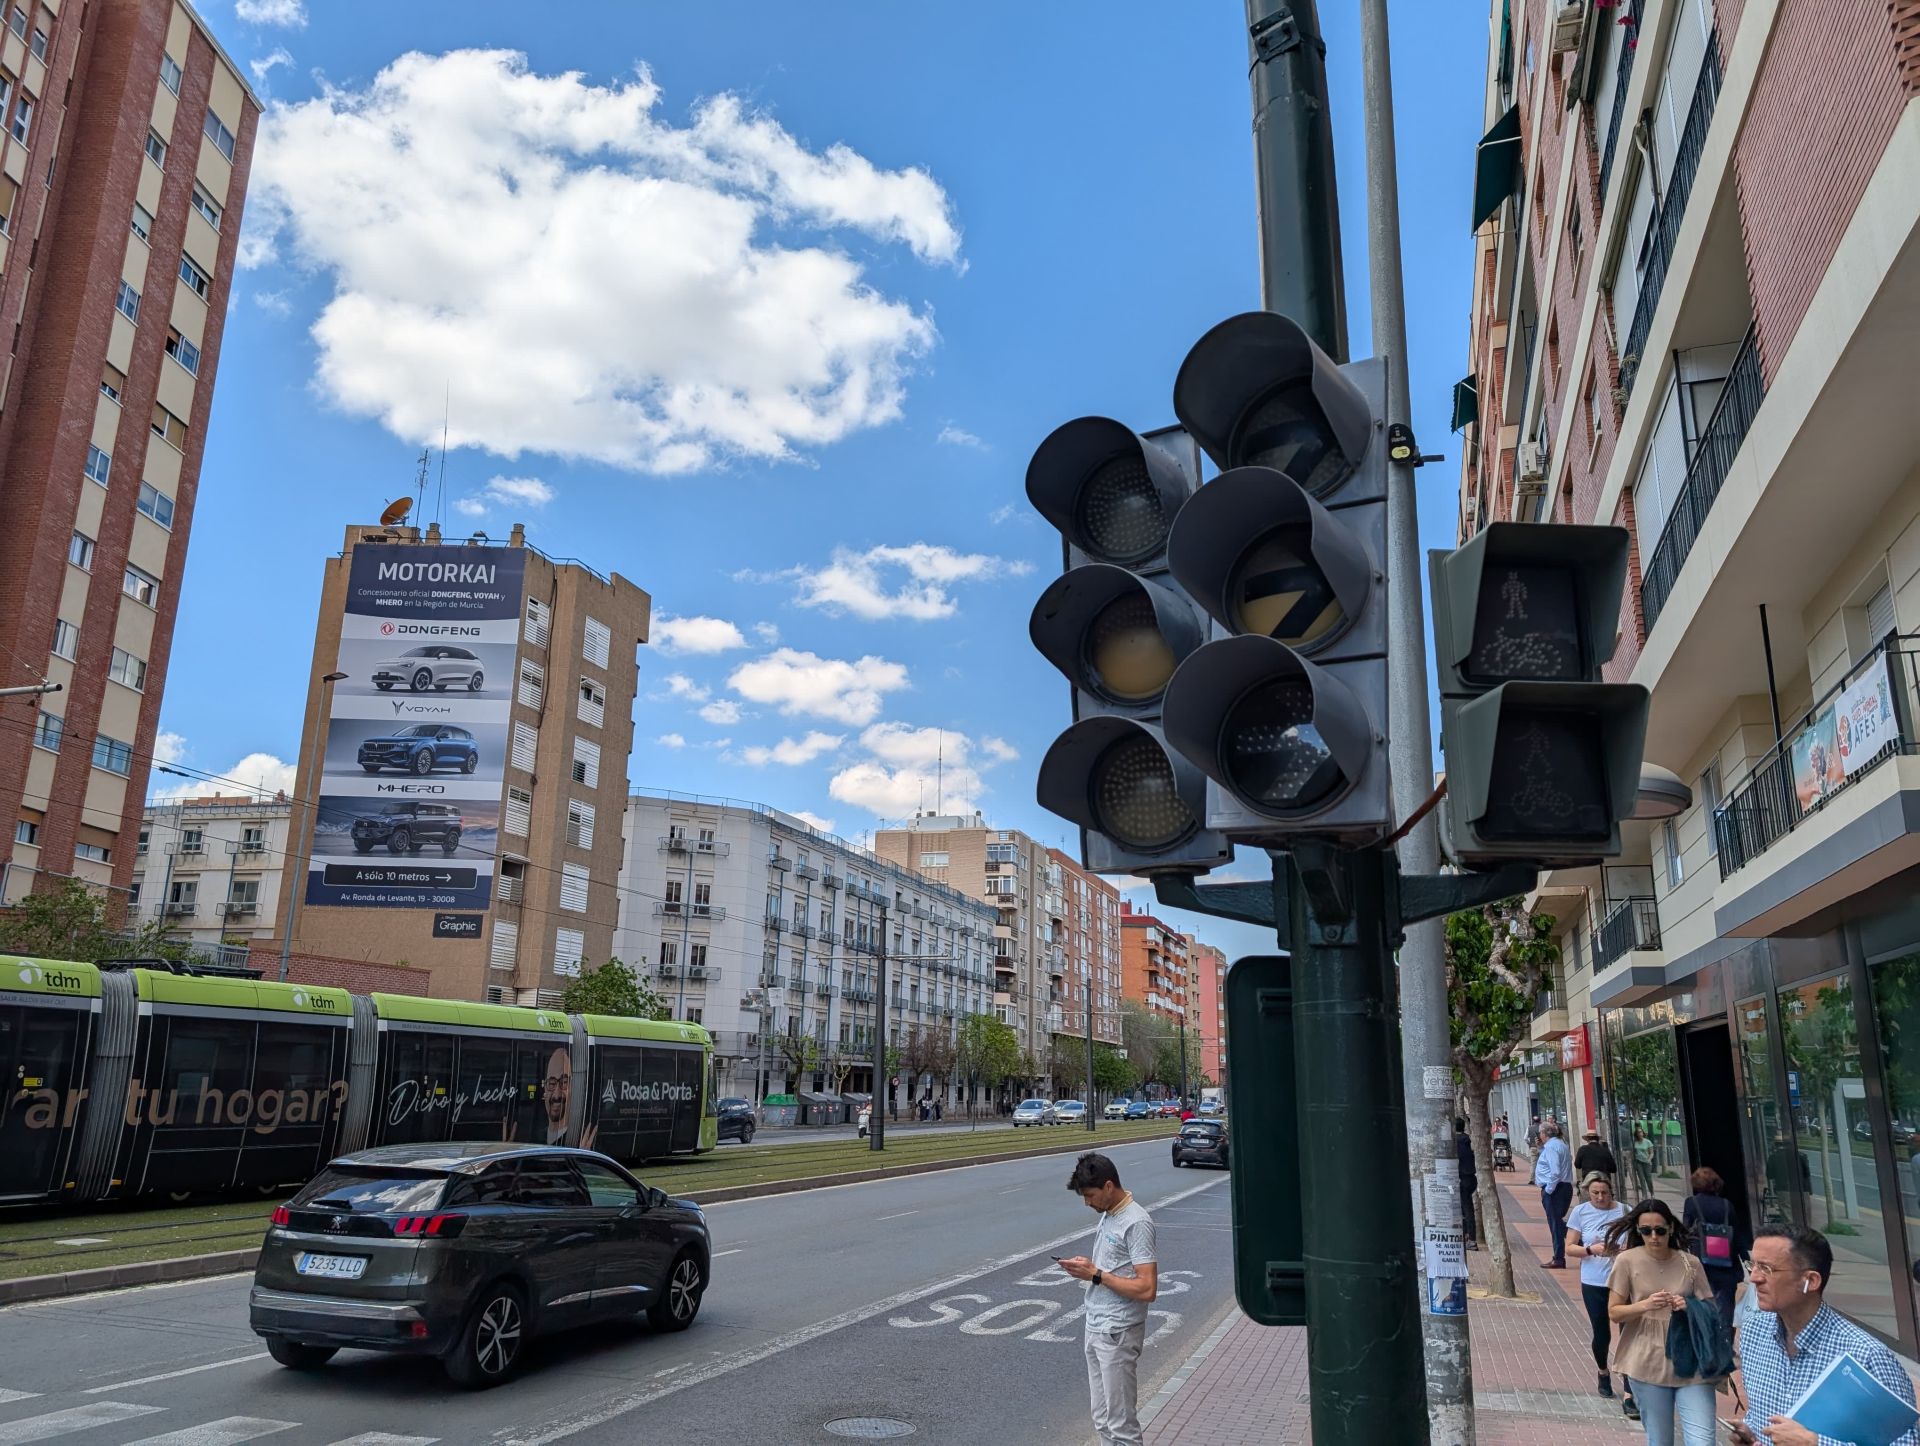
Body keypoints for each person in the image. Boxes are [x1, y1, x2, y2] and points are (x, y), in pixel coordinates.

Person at [1731, 1226, 1920, 1446]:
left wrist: (1815, 1443)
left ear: (1810, 1281)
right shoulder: (1754, 1332)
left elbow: (1906, 1442)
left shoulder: (1867, 1356)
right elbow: (1761, 1414)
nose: (1754, 1278)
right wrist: (1751, 1433)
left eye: (1766, 1268)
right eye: (1752, 1265)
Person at [1058, 1153, 1159, 1446]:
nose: (1086, 1202)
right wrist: (1089, 1268)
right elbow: (1111, 1268)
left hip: (1118, 1330)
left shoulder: (1136, 1222)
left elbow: (1147, 1288)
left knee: (1121, 1425)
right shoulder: (1109, 1214)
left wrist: (1097, 1274)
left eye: (1090, 1195)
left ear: (1108, 1187)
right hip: (1097, 1325)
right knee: (1102, 1419)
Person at [1606, 1198, 1719, 1445]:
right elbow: (1614, 1312)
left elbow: (1711, 1309)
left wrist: (1689, 1305)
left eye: (1659, 1230)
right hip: (1647, 1360)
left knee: (1703, 1440)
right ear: (1638, 1231)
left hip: (1691, 1360)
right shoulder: (1627, 1261)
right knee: (1660, 1440)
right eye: (1646, 1231)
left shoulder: (1690, 1263)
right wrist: (1645, 1305)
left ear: (1670, 1227)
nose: (1653, 1236)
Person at [1564, 1172, 1633, 1414]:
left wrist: (1624, 1250)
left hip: (1622, 1282)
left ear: (1611, 1191)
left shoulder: (1625, 1211)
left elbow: (1637, 1243)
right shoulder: (1580, 1212)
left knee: (1628, 1333)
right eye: (1595, 1193)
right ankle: (1603, 1371)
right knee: (1601, 1332)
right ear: (1587, 1193)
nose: (1601, 1197)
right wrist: (1590, 1249)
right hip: (1593, 1280)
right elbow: (1569, 1248)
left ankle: (1629, 1388)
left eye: (1604, 1193)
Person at [1680, 1166, 1745, 1328]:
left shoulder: (1691, 1203)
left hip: (1701, 1258)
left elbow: (1685, 1230)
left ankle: (1707, 1338)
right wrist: (1745, 1258)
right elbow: (1736, 1233)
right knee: (1726, 1302)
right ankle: (1725, 1339)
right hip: (1726, 1260)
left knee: (1702, 1299)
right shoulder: (1726, 1205)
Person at [1536, 1120, 1575, 1268]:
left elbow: (1555, 1171)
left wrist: (1548, 1190)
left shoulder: (1552, 1147)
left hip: (1555, 1189)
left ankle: (1559, 1257)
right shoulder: (1560, 1144)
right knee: (1557, 1222)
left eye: (1540, 1133)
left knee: (1555, 1223)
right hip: (1562, 1187)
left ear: (1544, 1134)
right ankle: (1578, 1242)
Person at [1456, 1117, 1480, 1249]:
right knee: (1466, 1207)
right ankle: (1467, 1235)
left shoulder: (1456, 1142)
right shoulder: (1467, 1139)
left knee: (1466, 1208)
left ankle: (1471, 1238)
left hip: (1463, 1177)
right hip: (1471, 1177)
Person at [1632, 1124, 1656, 1198]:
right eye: (1638, 1132)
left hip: (1646, 1162)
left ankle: (1652, 1192)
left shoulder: (1647, 1142)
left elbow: (1651, 1153)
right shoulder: (1634, 1142)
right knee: (1641, 1179)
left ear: (1643, 1133)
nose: (1640, 1134)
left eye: (1641, 1132)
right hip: (1638, 1162)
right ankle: (1644, 1195)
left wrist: (1649, 1159)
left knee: (1648, 1178)